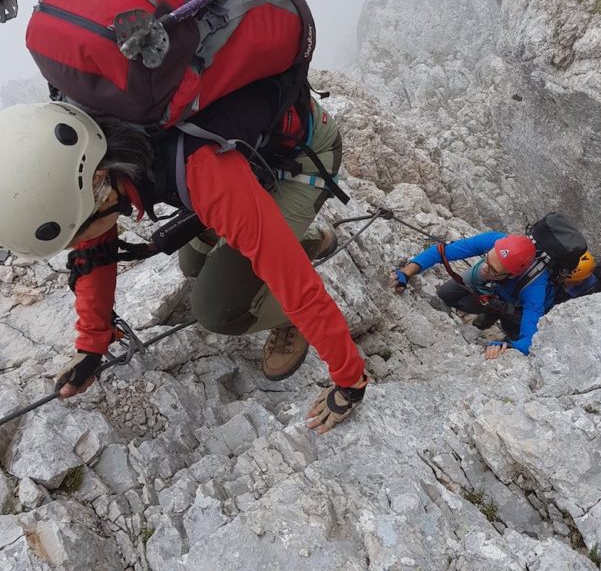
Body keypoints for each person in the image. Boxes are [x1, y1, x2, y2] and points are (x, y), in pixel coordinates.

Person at [0, 99, 368, 433]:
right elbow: (95, 251)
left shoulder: (202, 175)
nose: (78, 245)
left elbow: (296, 283)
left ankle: (295, 275)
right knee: (192, 263)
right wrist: (91, 345)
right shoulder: (96, 150)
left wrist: (349, 381)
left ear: (101, 188)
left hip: (301, 161)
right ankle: (285, 235)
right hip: (247, 160)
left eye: (76, 235)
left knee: (217, 310)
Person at [392, 232, 554, 360]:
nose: (485, 268)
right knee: (446, 293)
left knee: (511, 330)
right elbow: (440, 252)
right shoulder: (496, 241)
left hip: (517, 304)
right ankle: (490, 310)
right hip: (497, 286)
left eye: (493, 269)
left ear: (512, 275)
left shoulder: (534, 289)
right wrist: (406, 273)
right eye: (486, 259)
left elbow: (530, 341)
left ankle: (496, 314)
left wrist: (507, 346)